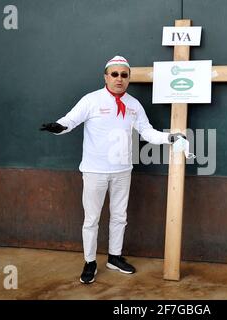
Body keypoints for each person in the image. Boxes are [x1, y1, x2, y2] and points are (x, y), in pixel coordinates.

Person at [40, 56, 185, 284]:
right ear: (106, 76)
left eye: (124, 75)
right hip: (94, 171)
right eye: (114, 74)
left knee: (119, 216)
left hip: (122, 170)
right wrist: (58, 127)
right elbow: (71, 120)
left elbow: (147, 132)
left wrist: (170, 137)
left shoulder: (134, 105)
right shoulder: (91, 100)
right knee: (92, 218)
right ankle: (90, 262)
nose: (119, 78)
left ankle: (114, 257)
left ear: (129, 78)